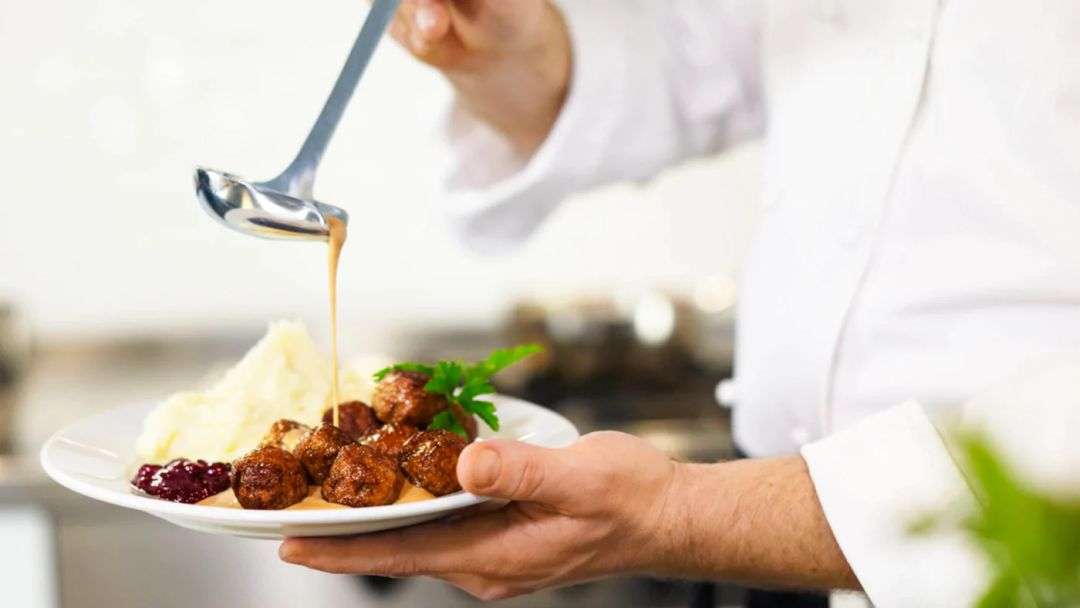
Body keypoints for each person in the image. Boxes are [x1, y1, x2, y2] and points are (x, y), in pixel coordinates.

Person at [279, 1, 1080, 605]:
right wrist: (517, 54)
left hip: (1028, 573)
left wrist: (682, 514)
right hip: (782, 568)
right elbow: (709, 50)